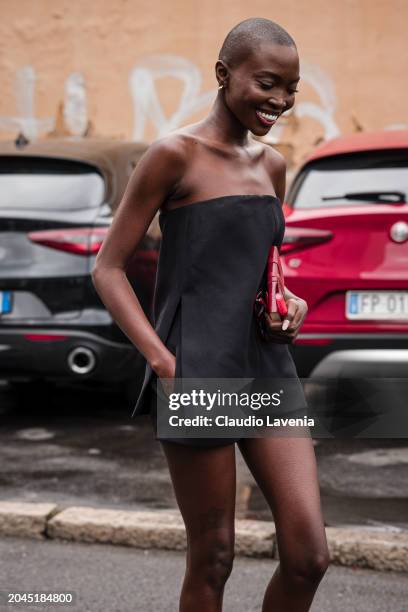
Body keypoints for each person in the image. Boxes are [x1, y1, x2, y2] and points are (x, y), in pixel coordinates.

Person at [92, 17, 329, 612]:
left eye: (291, 89)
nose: (281, 100)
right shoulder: (174, 154)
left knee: (308, 556)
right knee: (214, 556)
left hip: (269, 369)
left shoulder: (273, 166)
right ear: (224, 75)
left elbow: (263, 267)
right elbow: (109, 268)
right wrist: (163, 360)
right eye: (268, 83)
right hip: (197, 369)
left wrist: (289, 304)